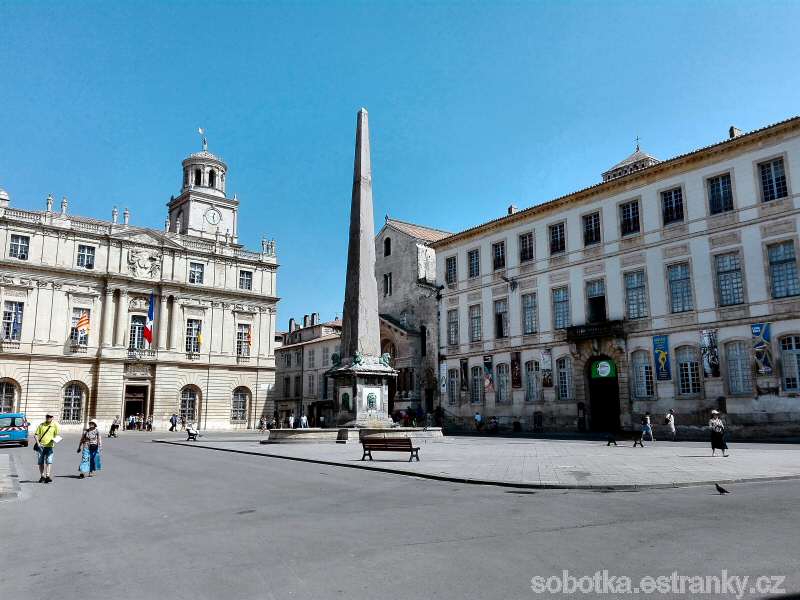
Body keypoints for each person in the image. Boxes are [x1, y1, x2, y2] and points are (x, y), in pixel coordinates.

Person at [34, 413, 60, 483]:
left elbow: (57, 435)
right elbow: (36, 435)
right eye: (47, 416)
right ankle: (42, 476)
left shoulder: (54, 425)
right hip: (41, 446)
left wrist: (54, 440)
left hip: (50, 446)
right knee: (40, 462)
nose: (48, 418)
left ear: (52, 418)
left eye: (50, 417)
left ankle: (47, 476)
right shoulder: (41, 425)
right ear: (46, 417)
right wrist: (38, 443)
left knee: (49, 461)